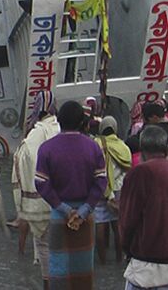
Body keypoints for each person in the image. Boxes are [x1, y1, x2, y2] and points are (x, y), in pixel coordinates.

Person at [35, 100, 107, 289]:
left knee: (59, 272)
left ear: (59, 121)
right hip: (85, 216)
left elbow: (41, 183)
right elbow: (101, 181)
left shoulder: (47, 148)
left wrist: (65, 209)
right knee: (83, 272)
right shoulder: (93, 147)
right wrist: (84, 210)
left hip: (59, 215)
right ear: (83, 122)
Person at [119, 125, 168, 290]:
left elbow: (128, 218)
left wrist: (126, 246)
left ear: (142, 149)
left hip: (148, 258)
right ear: (166, 148)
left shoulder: (139, 173)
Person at [11, 90, 60, 287]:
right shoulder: (60, 129)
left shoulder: (35, 134)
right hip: (65, 199)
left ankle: (47, 284)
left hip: (40, 198)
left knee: (44, 244)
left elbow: (25, 160)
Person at [93, 116, 131, 265]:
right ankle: (119, 259)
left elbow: (93, 168)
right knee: (118, 226)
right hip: (119, 189)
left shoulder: (96, 145)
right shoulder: (123, 146)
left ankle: (102, 261)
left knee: (100, 224)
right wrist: (116, 186)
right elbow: (126, 170)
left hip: (101, 188)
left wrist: (107, 189)